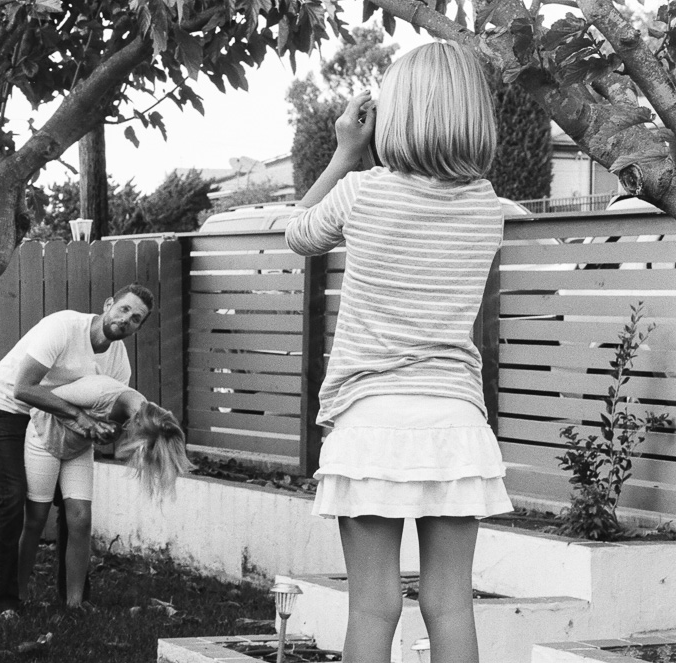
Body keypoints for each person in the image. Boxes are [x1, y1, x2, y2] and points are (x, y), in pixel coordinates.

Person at [284, 42, 514, 663]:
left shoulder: (361, 193)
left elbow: (298, 233)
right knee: (450, 604)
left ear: (398, 113)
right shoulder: (487, 206)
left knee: (373, 606)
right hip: (455, 426)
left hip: (371, 422)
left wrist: (344, 151)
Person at [0, 283, 154, 620]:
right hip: (7, 408)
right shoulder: (63, 328)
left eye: (136, 319)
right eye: (124, 309)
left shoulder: (118, 361)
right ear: (108, 304)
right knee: (14, 499)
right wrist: (79, 417)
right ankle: (6, 598)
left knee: (77, 513)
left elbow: (110, 414)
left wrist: (106, 430)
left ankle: (74, 598)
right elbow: (23, 387)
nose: (127, 319)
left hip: (55, 421)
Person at [17, 374, 193, 609]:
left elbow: (117, 449)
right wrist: (85, 422)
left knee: (81, 520)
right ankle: (17, 594)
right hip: (44, 435)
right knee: (36, 519)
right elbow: (47, 402)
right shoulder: (99, 393)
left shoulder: (137, 411)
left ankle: (75, 603)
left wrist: (99, 431)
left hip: (78, 447)